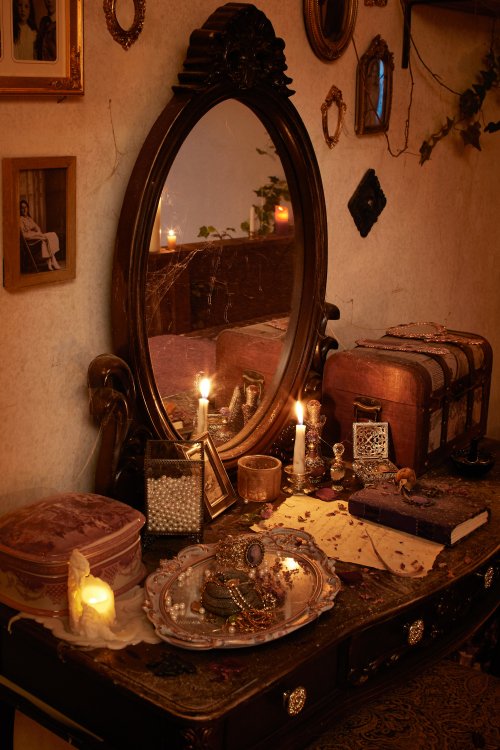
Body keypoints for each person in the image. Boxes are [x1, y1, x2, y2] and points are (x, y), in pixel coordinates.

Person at [20, 199, 62, 271]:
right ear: (20, 209)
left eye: (25, 207)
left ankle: (49, 261)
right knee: (45, 239)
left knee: (52, 234)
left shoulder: (29, 218)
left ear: (27, 208)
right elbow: (24, 235)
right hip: (30, 241)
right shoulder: (20, 219)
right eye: (22, 208)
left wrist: (38, 233)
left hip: (36, 236)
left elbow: (38, 228)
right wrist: (37, 234)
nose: (24, 209)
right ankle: (53, 261)